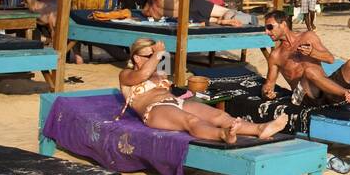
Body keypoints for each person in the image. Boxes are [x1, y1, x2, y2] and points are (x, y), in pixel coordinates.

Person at [119, 37, 286, 143]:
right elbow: (144, 73)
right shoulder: (126, 75)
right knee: (191, 121)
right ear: (136, 58)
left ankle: (259, 129)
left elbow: (167, 70)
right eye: (149, 56)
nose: (155, 59)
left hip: (175, 102)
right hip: (154, 110)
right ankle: (223, 135)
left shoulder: (158, 71)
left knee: (219, 115)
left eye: (155, 56)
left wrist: (161, 55)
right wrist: (157, 54)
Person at [261, 10, 350, 112]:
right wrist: (267, 93)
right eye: (266, 29)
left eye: (269, 27)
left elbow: (330, 59)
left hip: (326, 87)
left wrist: (313, 52)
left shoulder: (308, 36)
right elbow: (269, 85)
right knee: (309, 71)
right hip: (306, 98)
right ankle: (347, 94)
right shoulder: (276, 55)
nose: (267, 32)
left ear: (283, 24)